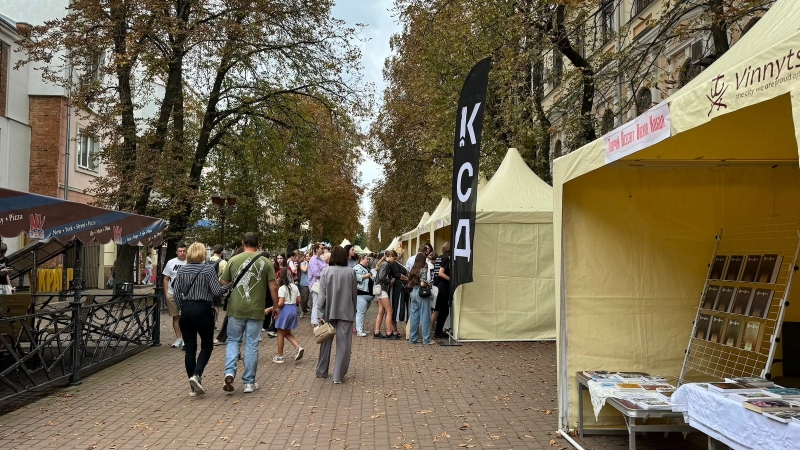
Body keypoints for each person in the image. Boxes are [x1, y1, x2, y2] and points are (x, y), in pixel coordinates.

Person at [220, 232, 278, 394]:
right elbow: (273, 287)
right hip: (256, 309)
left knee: (233, 341)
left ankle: (230, 371)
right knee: (252, 345)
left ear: (243, 243)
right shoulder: (265, 262)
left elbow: (223, 282)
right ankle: (249, 382)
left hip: (236, 309)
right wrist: (276, 306)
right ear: (258, 244)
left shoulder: (233, 260)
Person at [171, 242, 229, 397]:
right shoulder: (208, 269)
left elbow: (175, 293)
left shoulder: (182, 271)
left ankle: (193, 385)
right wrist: (228, 287)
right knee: (207, 346)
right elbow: (216, 291)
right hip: (203, 310)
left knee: (190, 349)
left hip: (187, 310)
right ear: (203, 254)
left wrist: (182, 307)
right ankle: (197, 374)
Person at [316, 246, 357, 384]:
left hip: (329, 311)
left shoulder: (326, 271)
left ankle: (322, 371)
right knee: (343, 344)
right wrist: (354, 309)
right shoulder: (351, 272)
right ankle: (338, 376)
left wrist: (319, 313)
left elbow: (322, 295)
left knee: (325, 341)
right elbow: (354, 294)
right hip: (346, 311)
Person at [272, 268, 304, 364]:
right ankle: (298, 347)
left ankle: (280, 356)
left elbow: (281, 303)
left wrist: (271, 308)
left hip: (284, 311)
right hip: (293, 310)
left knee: (281, 333)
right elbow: (299, 300)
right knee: (287, 333)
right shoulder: (294, 286)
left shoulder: (282, 288)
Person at [163, 243, 188, 348]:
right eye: (180, 251)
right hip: (172, 293)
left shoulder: (190, 262)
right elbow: (166, 278)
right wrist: (166, 293)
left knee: (186, 317)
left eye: (184, 251)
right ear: (176, 252)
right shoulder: (171, 262)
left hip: (186, 295)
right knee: (176, 317)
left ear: (187, 251)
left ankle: (186, 338)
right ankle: (178, 338)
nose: (182, 253)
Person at [407, 253, 434, 345]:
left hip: (413, 292)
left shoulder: (413, 269)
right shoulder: (423, 269)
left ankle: (413, 338)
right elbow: (422, 283)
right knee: (425, 316)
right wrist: (428, 284)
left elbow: (409, 283)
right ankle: (426, 339)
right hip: (421, 293)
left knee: (414, 316)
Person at [433, 242, 452, 338]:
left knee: (438, 309)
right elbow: (441, 273)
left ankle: (437, 330)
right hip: (444, 287)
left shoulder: (439, 258)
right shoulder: (446, 259)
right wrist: (451, 279)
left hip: (438, 286)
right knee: (444, 310)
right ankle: (438, 331)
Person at [373, 252, 393, 338]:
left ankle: (377, 332)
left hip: (378, 289)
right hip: (382, 289)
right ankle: (389, 332)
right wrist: (389, 281)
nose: (394, 260)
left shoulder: (382, 263)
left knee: (381, 311)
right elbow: (382, 277)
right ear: (390, 256)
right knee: (389, 311)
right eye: (394, 258)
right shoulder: (386, 264)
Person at [353, 254, 374, 336]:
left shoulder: (366, 268)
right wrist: (366, 276)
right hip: (361, 294)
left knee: (362, 313)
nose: (368, 260)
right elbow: (356, 277)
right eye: (366, 259)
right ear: (362, 259)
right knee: (360, 313)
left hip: (368, 294)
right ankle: (359, 331)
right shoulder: (357, 268)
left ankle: (361, 329)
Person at [307, 243, 327, 325]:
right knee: (317, 303)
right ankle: (315, 321)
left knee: (320, 302)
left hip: (321, 283)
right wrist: (325, 273)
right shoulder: (313, 260)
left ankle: (318, 320)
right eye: (321, 248)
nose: (323, 249)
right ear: (316, 250)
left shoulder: (321, 259)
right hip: (316, 284)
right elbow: (316, 273)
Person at [298, 252, 311, 317]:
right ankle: (303, 310)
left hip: (312, 283)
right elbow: (305, 270)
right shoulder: (302, 264)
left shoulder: (313, 263)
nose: (308, 257)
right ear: (305, 257)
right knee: (304, 298)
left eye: (309, 256)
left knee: (312, 299)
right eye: (307, 256)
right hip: (304, 283)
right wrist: (307, 263)